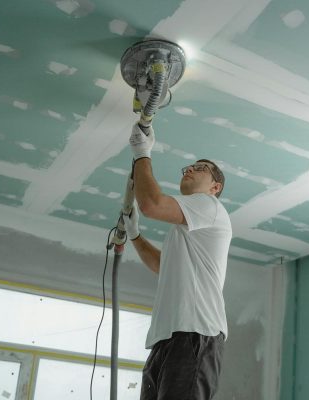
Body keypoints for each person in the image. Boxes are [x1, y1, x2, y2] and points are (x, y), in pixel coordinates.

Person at [123, 122, 232, 400]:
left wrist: (141, 154)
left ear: (215, 187)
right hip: (167, 338)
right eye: (188, 168)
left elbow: (151, 204)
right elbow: (162, 266)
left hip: (195, 333)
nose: (190, 169)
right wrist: (135, 236)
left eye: (200, 168)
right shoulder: (184, 230)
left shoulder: (210, 206)